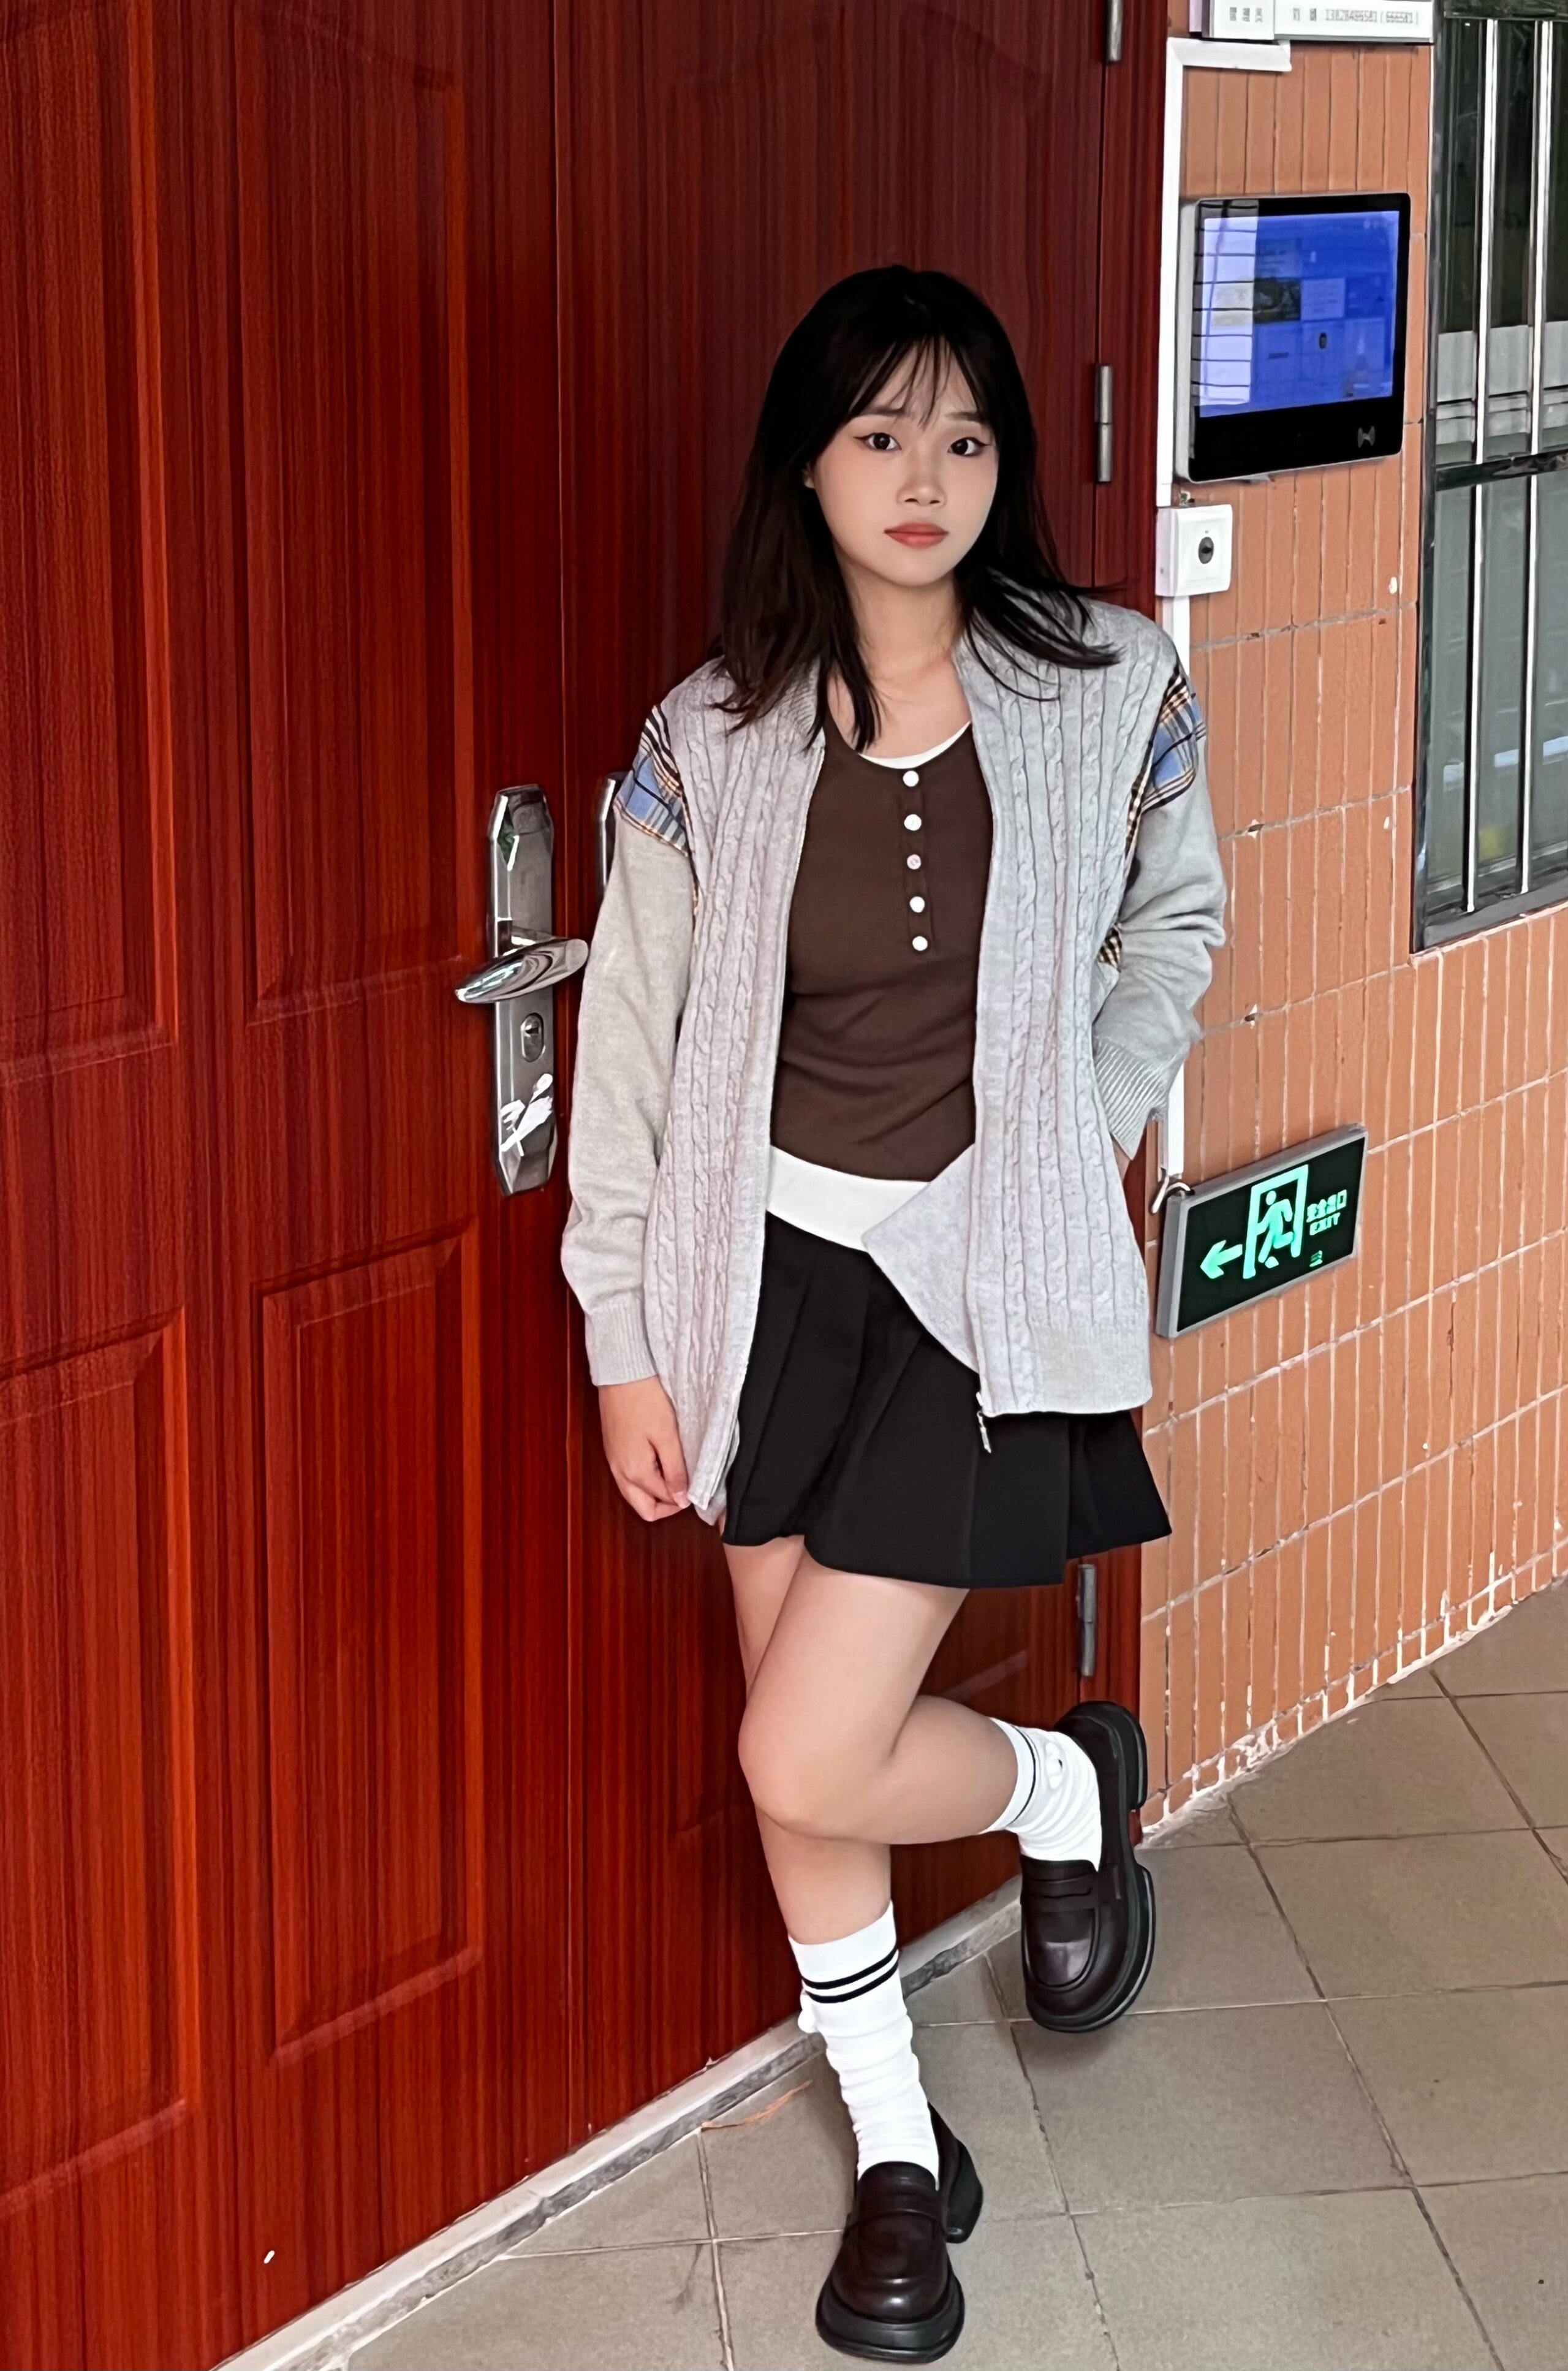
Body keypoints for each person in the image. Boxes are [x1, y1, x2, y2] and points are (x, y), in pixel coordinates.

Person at [561, 264, 1225, 2364]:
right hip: (760, 1285)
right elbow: (631, 1051)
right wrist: (620, 1333)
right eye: (878, 434)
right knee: (804, 1773)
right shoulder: (710, 739)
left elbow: (1177, 928)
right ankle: (901, 2152)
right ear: (808, 467)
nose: (923, 475)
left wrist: (1078, 1120)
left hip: (974, 1284)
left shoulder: (1109, 683)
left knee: (800, 1743)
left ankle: (1058, 1797)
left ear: (1006, 465)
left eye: (963, 435)